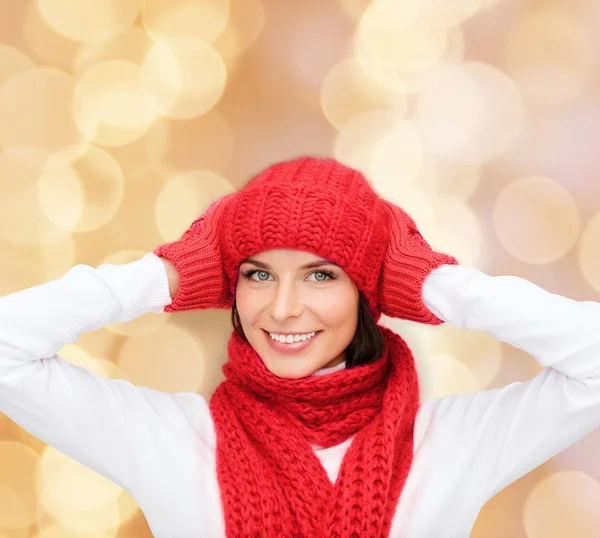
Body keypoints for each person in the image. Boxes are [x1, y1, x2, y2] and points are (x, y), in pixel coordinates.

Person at [0, 156, 599, 538]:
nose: (282, 308)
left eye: (321, 275)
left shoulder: (455, 440)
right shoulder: (165, 435)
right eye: (257, 274)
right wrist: (165, 277)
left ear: (369, 288)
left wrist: (435, 282)